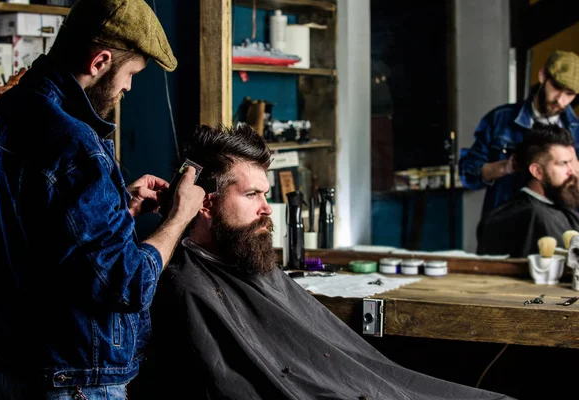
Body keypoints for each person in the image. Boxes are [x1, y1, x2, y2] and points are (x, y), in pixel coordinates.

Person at [130, 124, 513, 400]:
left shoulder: (245, 262)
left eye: (266, 194)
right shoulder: (187, 286)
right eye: (251, 195)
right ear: (207, 203)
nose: (267, 209)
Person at [0, 0, 204, 399]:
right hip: (75, 380)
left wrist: (120, 205)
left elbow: (36, 232)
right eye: (131, 73)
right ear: (99, 61)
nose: (128, 88)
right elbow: (127, 283)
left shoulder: (2, 114)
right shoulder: (77, 146)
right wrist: (179, 219)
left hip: (15, 371)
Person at [459, 50, 579, 217]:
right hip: (503, 225)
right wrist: (505, 167)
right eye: (557, 87)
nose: (560, 100)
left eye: (569, 94)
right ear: (543, 76)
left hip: (559, 226)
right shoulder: (500, 119)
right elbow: (468, 173)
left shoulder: (577, 131)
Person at [477, 124, 579, 257]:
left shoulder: (563, 208)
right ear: (537, 171)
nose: (573, 171)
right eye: (563, 163)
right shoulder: (525, 215)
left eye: (573, 162)